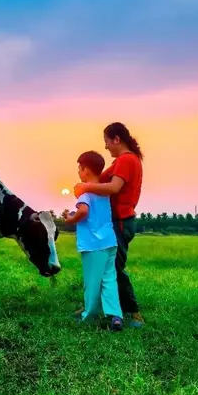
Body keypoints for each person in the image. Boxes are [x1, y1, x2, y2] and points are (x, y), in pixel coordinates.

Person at [74, 122, 145, 328]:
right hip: (118, 221)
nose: (106, 147)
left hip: (121, 221)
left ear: (116, 139)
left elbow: (113, 187)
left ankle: (133, 312)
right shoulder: (120, 162)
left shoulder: (126, 160)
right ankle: (93, 306)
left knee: (114, 267)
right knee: (106, 267)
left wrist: (85, 186)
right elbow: (101, 179)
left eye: (106, 141)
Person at [62, 150, 123, 331]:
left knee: (92, 281)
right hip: (110, 242)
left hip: (93, 245)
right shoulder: (104, 192)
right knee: (109, 279)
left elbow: (83, 212)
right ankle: (116, 315)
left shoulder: (84, 192)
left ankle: (88, 316)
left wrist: (70, 219)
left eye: (80, 169)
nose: (79, 173)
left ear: (86, 170)